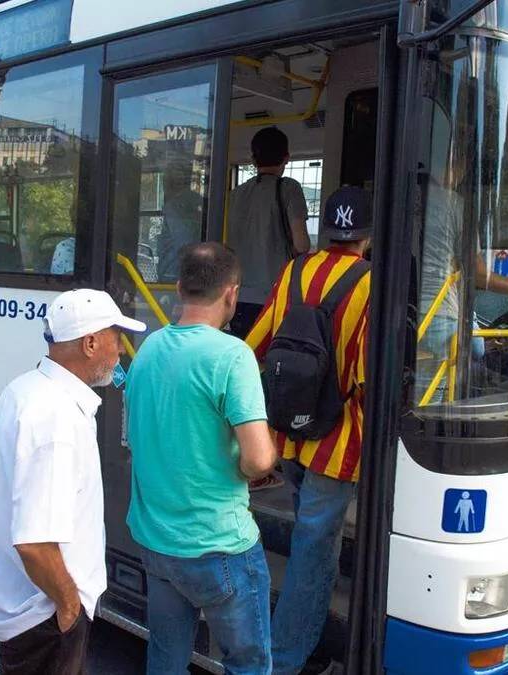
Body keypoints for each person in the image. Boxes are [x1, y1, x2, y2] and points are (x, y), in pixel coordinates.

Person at [125, 242, 279, 674]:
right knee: (248, 665)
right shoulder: (232, 356)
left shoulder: (148, 349)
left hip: (156, 542)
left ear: (178, 288)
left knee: (165, 662)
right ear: (232, 294)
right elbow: (259, 459)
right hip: (218, 546)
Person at [0, 289, 145, 675]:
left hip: (24, 608)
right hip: (44, 618)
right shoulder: (56, 419)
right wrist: (69, 606)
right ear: (90, 343)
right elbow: (34, 544)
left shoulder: (25, 389)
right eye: (116, 338)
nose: (120, 351)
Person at [246, 187, 374, 675]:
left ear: (327, 231)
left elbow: (255, 345)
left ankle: (307, 640)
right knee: (312, 552)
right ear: (366, 236)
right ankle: (285, 658)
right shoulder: (369, 283)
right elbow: (364, 380)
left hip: (288, 436)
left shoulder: (295, 271)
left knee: (311, 541)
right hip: (338, 445)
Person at [227, 127, 311, 336]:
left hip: (238, 297)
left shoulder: (236, 194)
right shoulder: (290, 188)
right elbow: (302, 245)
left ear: (254, 160)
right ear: (286, 158)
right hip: (274, 296)